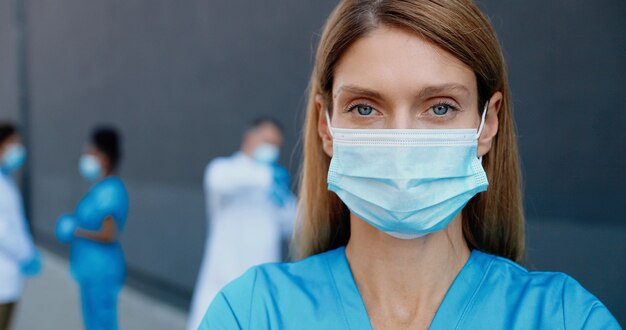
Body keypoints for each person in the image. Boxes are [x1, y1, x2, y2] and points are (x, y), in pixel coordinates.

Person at [200, 1, 620, 329]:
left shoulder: (566, 318)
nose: (400, 140)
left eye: (440, 108)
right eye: (364, 108)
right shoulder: (252, 314)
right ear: (325, 126)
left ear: (487, 122)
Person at [187, 118, 297, 330]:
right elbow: (217, 180)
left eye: (276, 145)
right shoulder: (225, 169)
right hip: (223, 282)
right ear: (249, 138)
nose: (272, 149)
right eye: (267, 141)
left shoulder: (274, 188)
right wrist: (266, 178)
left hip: (260, 289)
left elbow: (296, 224)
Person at [55, 126, 128, 330]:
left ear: (104, 157)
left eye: (91, 153)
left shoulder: (111, 190)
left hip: (101, 269)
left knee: (102, 323)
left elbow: (108, 234)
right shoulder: (100, 188)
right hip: (91, 267)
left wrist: (75, 230)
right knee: (93, 321)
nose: (86, 157)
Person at [0, 122, 41, 330]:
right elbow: (3, 231)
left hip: (8, 277)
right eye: (13, 143)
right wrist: (26, 253)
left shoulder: (5, 182)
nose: (18, 149)